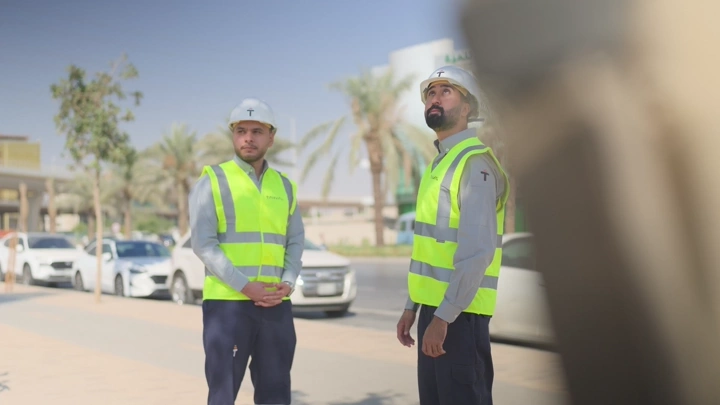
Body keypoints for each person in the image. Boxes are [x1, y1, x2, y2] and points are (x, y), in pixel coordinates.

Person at [396, 65, 510, 405]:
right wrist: (411, 307)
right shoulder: (439, 166)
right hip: (436, 311)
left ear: (468, 108)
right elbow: (430, 252)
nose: (435, 98)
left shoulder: (474, 164)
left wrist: (443, 318)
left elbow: (478, 252)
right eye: (431, 93)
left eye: (446, 91)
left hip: (459, 316)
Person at [189, 97, 304, 405]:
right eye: (241, 130)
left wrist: (289, 281)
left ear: (271, 137)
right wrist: (246, 287)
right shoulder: (213, 180)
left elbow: (295, 241)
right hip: (228, 306)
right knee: (223, 395)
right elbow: (203, 244)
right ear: (233, 135)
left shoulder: (285, 186)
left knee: (276, 395)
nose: (248, 137)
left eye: (257, 130)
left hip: (276, 305)